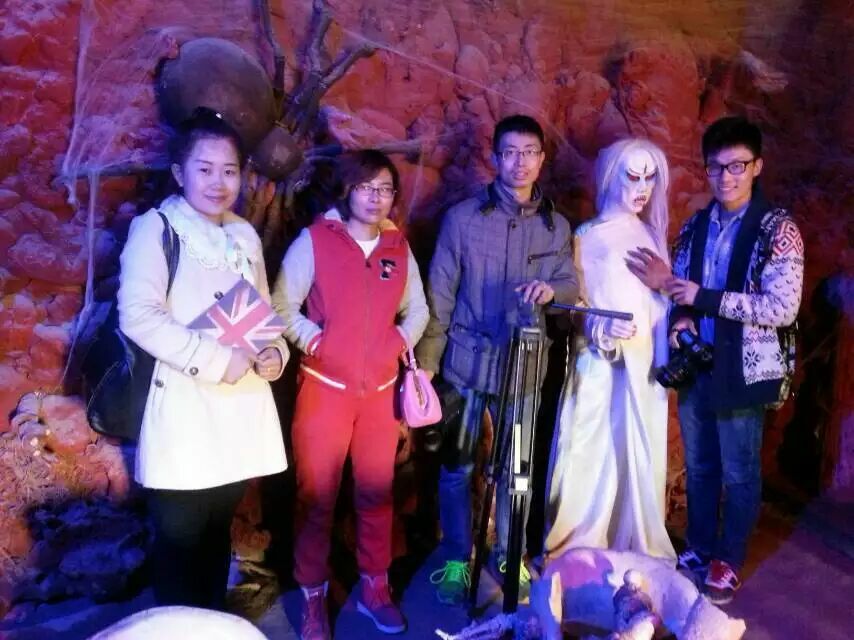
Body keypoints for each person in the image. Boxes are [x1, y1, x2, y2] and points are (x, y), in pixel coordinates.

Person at [626, 116, 804, 604]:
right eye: (715, 167)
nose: (725, 177)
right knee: (701, 464)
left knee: (739, 471)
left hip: (744, 369)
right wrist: (682, 317)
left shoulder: (778, 230)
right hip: (699, 363)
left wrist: (702, 299)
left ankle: (729, 557)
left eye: (737, 166)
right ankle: (700, 546)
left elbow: (781, 308)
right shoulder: (696, 225)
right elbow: (682, 291)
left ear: (757, 166)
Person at [117, 109, 288, 609]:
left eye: (229, 170)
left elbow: (262, 312)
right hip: (185, 412)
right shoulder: (157, 229)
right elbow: (138, 316)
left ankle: (209, 621)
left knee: (216, 536)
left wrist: (274, 352)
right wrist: (216, 360)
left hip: (237, 414)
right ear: (179, 172)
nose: (218, 182)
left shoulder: (243, 235)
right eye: (205, 168)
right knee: (180, 543)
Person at [416, 114, 579, 605]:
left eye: (529, 152)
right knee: (457, 467)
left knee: (518, 469)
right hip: (466, 364)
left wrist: (552, 291)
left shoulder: (555, 225)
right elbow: (440, 293)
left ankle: (509, 554)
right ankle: (455, 555)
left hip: (525, 368)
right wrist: (428, 365)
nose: (519, 162)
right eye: (510, 152)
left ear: (542, 159)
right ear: (495, 157)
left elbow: (569, 285)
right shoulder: (463, 219)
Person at [272, 149, 429, 639]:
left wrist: (396, 342)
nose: (376, 198)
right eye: (366, 187)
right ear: (347, 190)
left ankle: (375, 587)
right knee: (316, 498)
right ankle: (313, 597)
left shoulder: (397, 247)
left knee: (376, 494)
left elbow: (419, 310)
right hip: (325, 391)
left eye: (385, 188)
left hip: (379, 393)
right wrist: (316, 343)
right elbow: (282, 305)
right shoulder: (315, 240)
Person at [545, 138, 676, 562]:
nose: (642, 188)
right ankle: (579, 543)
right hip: (598, 365)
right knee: (589, 449)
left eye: (649, 178)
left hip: (646, 367)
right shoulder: (587, 237)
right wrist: (601, 326)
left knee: (638, 453)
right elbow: (574, 305)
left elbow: (661, 303)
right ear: (609, 176)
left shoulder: (652, 236)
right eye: (632, 176)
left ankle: (634, 542)